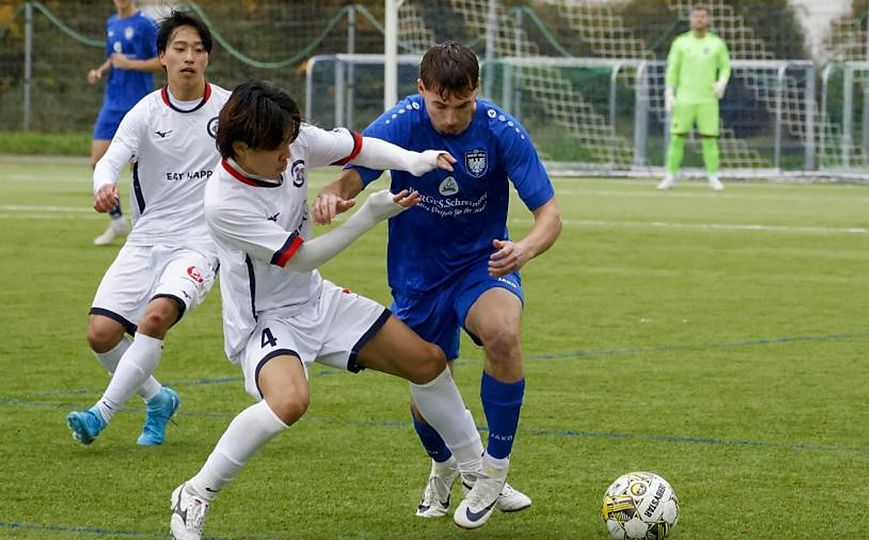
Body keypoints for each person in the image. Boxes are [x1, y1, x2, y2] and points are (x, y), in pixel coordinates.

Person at [169, 80, 505, 539]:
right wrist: (368, 216)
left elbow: (360, 147)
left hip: (317, 300)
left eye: (289, 143)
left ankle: (475, 473)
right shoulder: (224, 202)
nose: (288, 156)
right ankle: (195, 493)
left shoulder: (291, 138)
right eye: (276, 150)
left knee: (427, 362)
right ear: (241, 148)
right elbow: (301, 257)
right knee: (290, 401)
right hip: (266, 321)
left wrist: (413, 160)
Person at [314, 41, 562, 527]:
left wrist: (525, 249)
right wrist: (332, 194)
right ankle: (445, 466)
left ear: (477, 90)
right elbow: (353, 175)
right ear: (421, 89)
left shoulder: (500, 130)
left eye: (462, 106)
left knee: (503, 333)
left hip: (481, 266)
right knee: (428, 381)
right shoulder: (402, 122)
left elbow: (549, 215)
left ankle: (493, 470)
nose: (450, 119)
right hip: (417, 278)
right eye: (439, 106)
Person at [66, 11, 228, 447]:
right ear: (162, 57)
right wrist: (103, 187)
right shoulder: (145, 112)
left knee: (154, 318)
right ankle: (159, 399)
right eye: (180, 48)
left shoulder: (231, 110)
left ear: (208, 58)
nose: (189, 57)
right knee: (101, 334)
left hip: (200, 244)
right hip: (146, 239)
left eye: (197, 49)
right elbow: (109, 161)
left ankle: (100, 414)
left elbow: (284, 137)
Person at [88, 0, 163, 245]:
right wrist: (101, 71)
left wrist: (130, 64)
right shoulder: (111, 23)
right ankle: (118, 220)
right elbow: (114, 58)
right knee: (98, 161)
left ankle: (143, 225)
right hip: (112, 103)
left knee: (138, 168)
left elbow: (160, 61)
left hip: (138, 103)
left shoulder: (146, 24)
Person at [658, 5, 731, 191]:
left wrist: (722, 82)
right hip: (684, 99)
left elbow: (725, 66)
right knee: (677, 138)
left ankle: (713, 177)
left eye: (703, 16)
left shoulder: (717, 44)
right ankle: (670, 176)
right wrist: (669, 92)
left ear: (708, 20)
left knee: (709, 139)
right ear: (690, 19)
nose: (699, 19)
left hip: (707, 100)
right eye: (696, 16)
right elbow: (673, 69)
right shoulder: (680, 43)